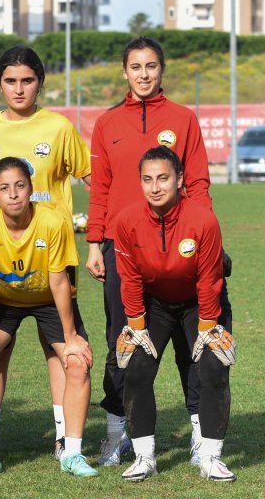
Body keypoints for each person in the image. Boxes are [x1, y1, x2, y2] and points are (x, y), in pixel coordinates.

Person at [84, 36, 228, 466]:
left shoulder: (184, 119)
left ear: (161, 70)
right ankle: (116, 433)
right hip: (121, 245)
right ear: (124, 72)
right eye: (135, 67)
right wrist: (95, 243)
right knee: (122, 340)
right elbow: (100, 189)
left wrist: (200, 235)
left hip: (180, 244)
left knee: (192, 341)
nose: (143, 74)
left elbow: (198, 183)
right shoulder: (107, 124)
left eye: (151, 66)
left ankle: (200, 435)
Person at [0, 46, 91, 459]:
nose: (19, 88)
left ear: (40, 82)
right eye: (10, 80)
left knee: (59, 353)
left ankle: (66, 439)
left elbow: (93, 176)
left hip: (50, 260)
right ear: (0, 84)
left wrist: (114, 224)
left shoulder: (59, 128)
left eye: (27, 80)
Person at [0, 157, 96, 478]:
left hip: (48, 299)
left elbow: (60, 281)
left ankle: (72, 453)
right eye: (4, 188)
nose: (13, 194)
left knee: (77, 362)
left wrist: (71, 335)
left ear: (32, 189)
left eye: (20, 185)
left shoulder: (53, 222)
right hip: (1, 300)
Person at [114, 147, 235, 482]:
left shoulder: (203, 220)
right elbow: (130, 277)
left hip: (199, 301)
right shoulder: (126, 220)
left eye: (163, 178)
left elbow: (210, 278)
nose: (155, 187)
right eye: (147, 179)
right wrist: (137, 325)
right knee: (136, 368)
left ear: (180, 179)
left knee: (212, 367)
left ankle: (210, 457)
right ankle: (144, 457)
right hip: (155, 303)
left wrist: (209, 327)